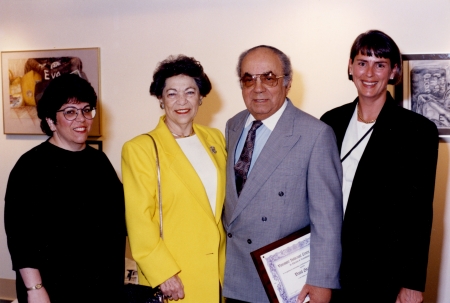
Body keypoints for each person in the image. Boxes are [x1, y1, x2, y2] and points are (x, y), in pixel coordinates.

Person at [321, 30, 439, 303]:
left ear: (394, 71)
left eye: (380, 64)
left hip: (384, 272)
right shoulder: (330, 122)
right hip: (329, 266)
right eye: (362, 62)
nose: (369, 73)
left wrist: (411, 283)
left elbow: (420, 214)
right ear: (350, 67)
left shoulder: (418, 131)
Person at [223, 45, 343, 303]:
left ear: (287, 83)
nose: (258, 88)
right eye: (248, 79)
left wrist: (321, 281)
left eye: (269, 78)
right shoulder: (233, 125)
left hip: (284, 286)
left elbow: (327, 218)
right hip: (232, 276)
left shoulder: (315, 134)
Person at [4, 73, 125, 303]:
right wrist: (35, 288)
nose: (81, 119)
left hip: (101, 287)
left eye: (86, 109)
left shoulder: (99, 162)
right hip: (53, 289)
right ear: (51, 121)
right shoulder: (30, 167)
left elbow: (121, 218)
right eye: (70, 111)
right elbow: (20, 238)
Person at [122, 55, 226, 302]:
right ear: (160, 99)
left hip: (218, 273)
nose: (182, 101)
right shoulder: (141, 148)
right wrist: (163, 273)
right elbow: (139, 220)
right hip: (174, 277)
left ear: (201, 97)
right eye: (172, 93)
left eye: (190, 92)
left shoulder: (215, 139)